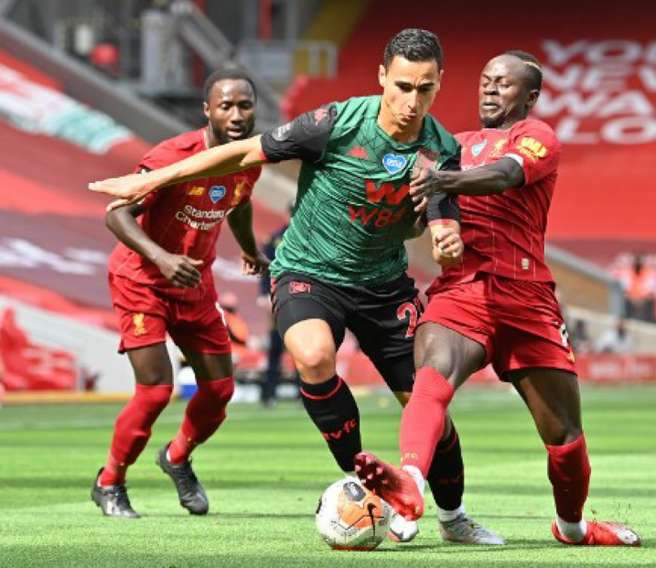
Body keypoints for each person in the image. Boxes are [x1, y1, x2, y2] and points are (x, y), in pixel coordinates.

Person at [89, 29, 501, 544]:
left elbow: (438, 218)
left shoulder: (440, 149)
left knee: (425, 400)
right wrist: (147, 182)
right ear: (381, 77)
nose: (411, 100)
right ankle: (366, 479)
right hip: (309, 274)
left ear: (439, 84)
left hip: (384, 285)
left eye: (424, 88)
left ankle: (454, 517)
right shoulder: (332, 123)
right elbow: (243, 155)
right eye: (401, 85)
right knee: (312, 356)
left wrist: (445, 238)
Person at [353, 50, 641, 546]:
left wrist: (441, 180)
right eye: (485, 80)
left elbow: (506, 175)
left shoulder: (536, 137)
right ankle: (410, 485)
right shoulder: (451, 145)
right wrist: (433, 219)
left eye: (504, 83)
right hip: (463, 289)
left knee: (565, 436)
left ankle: (572, 528)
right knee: (432, 376)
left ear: (529, 96)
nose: (489, 89)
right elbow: (429, 200)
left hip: (528, 297)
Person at [90, 67, 269, 518]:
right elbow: (117, 215)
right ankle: (109, 481)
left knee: (220, 389)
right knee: (155, 391)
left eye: (244, 105)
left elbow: (239, 203)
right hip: (142, 281)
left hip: (194, 282)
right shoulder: (172, 155)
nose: (235, 113)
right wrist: (163, 258)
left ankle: (177, 457)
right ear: (206, 110)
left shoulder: (251, 157)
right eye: (225, 105)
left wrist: (249, 250)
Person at [257, 220, 291, 407]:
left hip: (303, 296)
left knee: (301, 351)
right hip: (278, 297)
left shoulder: (310, 232)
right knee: (276, 349)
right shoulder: (276, 237)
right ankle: (269, 393)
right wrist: (264, 294)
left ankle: (304, 395)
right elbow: (266, 267)